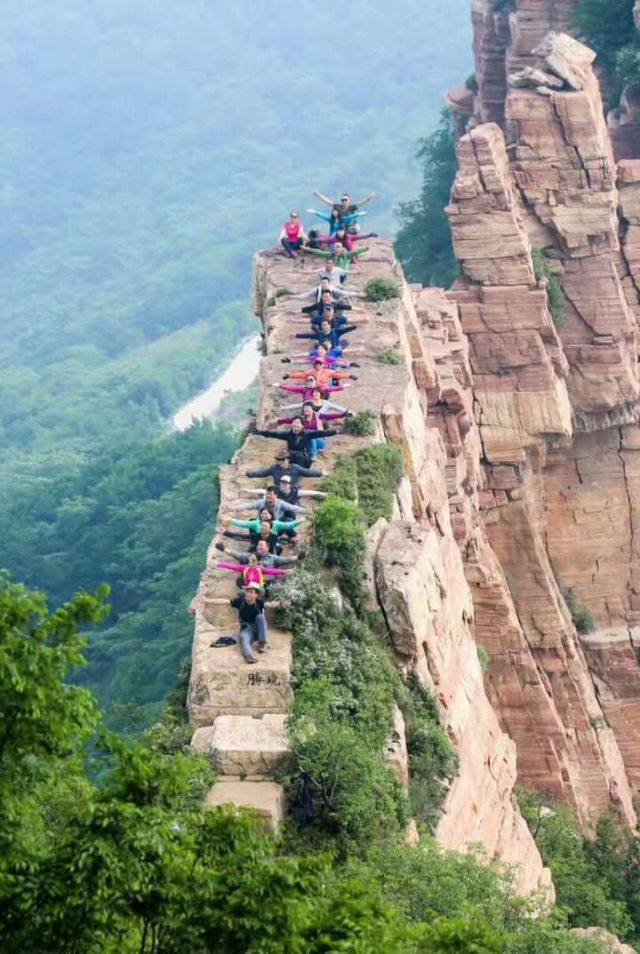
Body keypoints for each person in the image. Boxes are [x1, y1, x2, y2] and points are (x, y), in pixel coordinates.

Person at [206, 583, 288, 664]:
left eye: (251, 592)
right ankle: (248, 656)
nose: (248, 594)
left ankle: (262, 644)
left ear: (256, 595)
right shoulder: (240, 602)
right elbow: (224, 602)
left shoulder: (259, 603)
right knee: (242, 636)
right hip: (246, 629)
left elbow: (270, 604)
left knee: (260, 617)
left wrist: (280, 604)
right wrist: (206, 600)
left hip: (258, 630)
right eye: (247, 591)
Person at [253, 417, 339, 469]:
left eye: (297, 423)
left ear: (302, 426)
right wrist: (260, 432)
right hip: (292, 458)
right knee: (286, 458)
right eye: (294, 422)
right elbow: (274, 434)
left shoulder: (308, 434)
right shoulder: (288, 434)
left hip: (304, 460)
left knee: (297, 459)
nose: (295, 424)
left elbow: (322, 433)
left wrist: (335, 432)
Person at [245, 451, 324, 486]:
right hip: (278, 492)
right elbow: (262, 473)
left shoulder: (296, 468)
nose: (281, 462)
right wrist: (248, 474)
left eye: (283, 460)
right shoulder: (274, 468)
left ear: (288, 460)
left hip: (292, 491)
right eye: (279, 460)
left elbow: (308, 472)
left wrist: (321, 473)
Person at [216, 553, 287, 589]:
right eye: (250, 562)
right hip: (249, 588)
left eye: (253, 562)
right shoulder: (245, 568)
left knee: (272, 584)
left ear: (257, 563)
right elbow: (232, 566)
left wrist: (284, 571)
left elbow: (272, 571)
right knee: (239, 581)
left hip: (259, 588)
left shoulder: (260, 569)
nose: (251, 564)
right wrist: (218, 564)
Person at [232, 485, 306, 518]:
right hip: (262, 523)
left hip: (275, 524)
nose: (268, 496)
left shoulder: (281, 504)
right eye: (267, 494)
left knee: (289, 516)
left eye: (271, 494)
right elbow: (248, 506)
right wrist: (232, 508)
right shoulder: (261, 502)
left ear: (276, 495)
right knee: (252, 522)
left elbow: (293, 508)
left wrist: (306, 511)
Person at [302, 241, 368, 271]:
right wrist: (309, 249)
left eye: (338, 247)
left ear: (342, 248)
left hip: (342, 273)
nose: (337, 248)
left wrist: (364, 249)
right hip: (332, 272)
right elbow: (320, 252)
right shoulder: (330, 254)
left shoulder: (345, 255)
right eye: (336, 247)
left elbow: (355, 252)